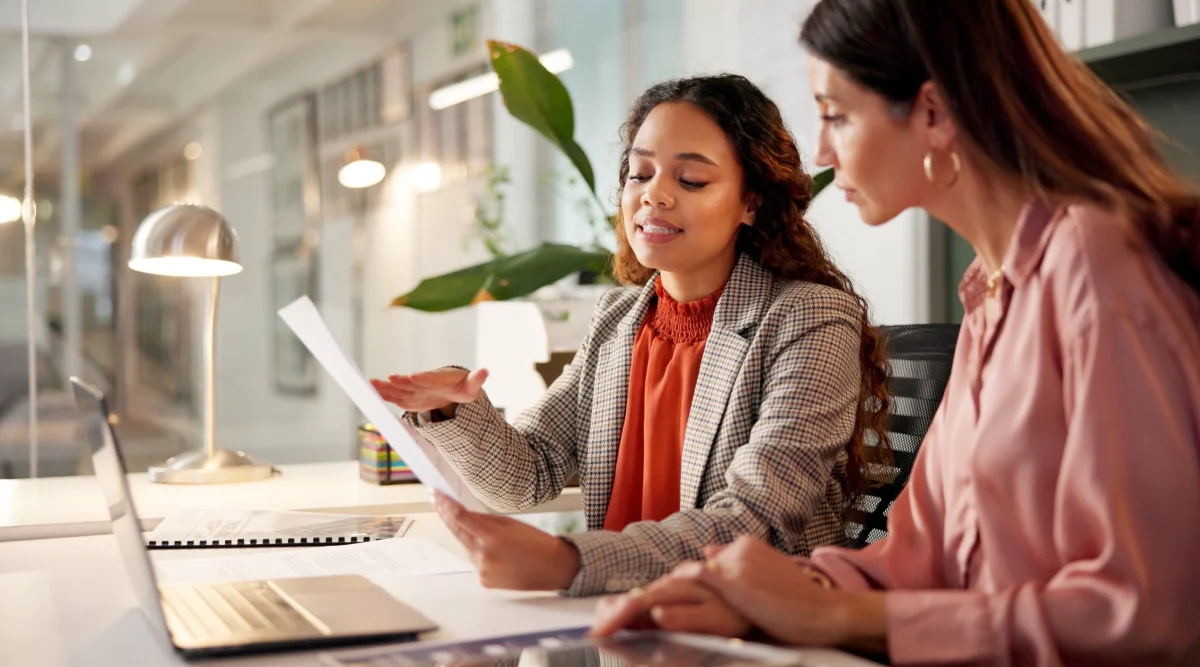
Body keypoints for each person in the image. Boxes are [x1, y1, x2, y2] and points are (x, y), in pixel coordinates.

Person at [591, 0, 1200, 664]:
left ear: (934, 114)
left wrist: (835, 612)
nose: (821, 150)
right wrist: (764, 595)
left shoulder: (1092, 263)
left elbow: (1146, 610)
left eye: (835, 115)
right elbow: (918, 554)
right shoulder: (992, 291)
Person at [371, 74, 890, 597]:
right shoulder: (618, 319)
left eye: (690, 180)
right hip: (622, 624)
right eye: (640, 173)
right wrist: (454, 406)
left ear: (751, 201)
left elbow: (755, 519)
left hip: (744, 630)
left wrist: (566, 561)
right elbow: (528, 475)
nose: (654, 195)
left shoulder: (810, 317)